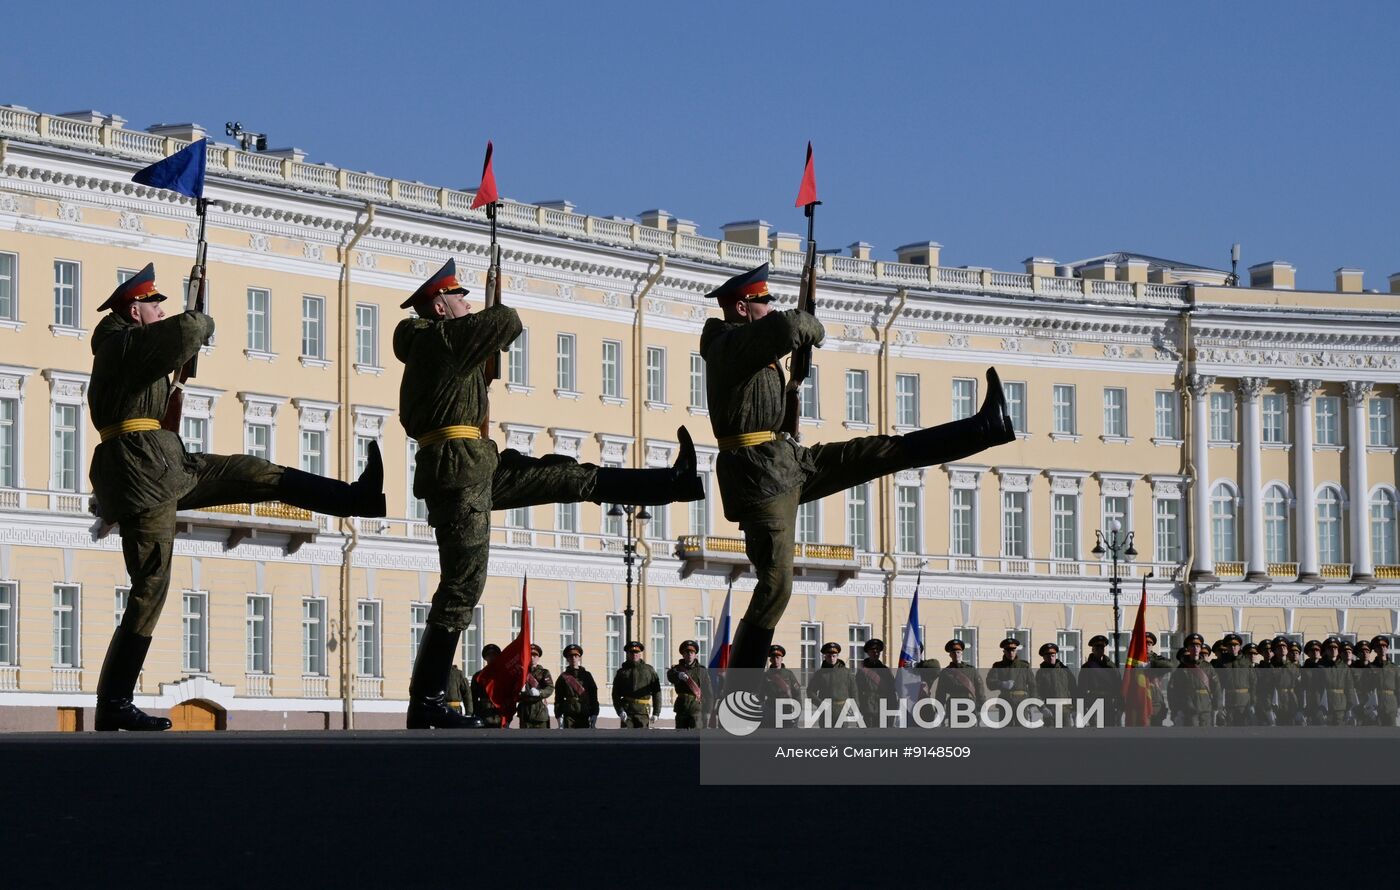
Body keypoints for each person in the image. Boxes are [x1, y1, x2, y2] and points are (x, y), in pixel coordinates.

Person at [395, 259, 704, 729]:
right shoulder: (438, 340)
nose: (469, 303)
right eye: (461, 297)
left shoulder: (442, 345)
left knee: (568, 475)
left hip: (478, 464)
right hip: (459, 474)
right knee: (461, 587)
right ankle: (427, 702)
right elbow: (507, 321)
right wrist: (491, 307)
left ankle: (671, 483)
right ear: (440, 306)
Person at [87, 265, 387, 731]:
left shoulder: (133, 347)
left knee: (255, 472)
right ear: (134, 310)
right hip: (143, 474)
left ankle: (355, 498)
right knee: (151, 584)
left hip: (165, 464)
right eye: (154, 304)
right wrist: (198, 317)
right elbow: (188, 327)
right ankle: (114, 702)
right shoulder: (120, 345)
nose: (161, 310)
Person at [698, 263, 1015, 667]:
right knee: (776, 586)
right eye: (763, 301)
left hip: (786, 462)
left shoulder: (751, 345)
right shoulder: (727, 344)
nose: (770, 307)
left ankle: (984, 428)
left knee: (878, 452)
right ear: (743, 307)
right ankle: (739, 695)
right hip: (761, 479)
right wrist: (807, 322)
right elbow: (790, 327)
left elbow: (776, 366)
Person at [1169, 635, 1218, 727]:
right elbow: (1174, 691)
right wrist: (1176, 710)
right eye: (1192, 646)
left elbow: (1216, 687)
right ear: (1188, 648)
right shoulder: (1182, 668)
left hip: (1206, 708)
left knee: (1206, 736)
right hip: (1189, 708)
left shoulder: (1207, 667)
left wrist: (1216, 707)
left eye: (1198, 646)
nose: (1195, 648)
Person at [1309, 638, 1359, 726]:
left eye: (1335, 648)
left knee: (1339, 732)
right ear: (1326, 651)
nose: (1333, 650)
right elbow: (1316, 688)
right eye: (1330, 649)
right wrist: (1317, 706)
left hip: (1340, 705)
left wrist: (1350, 705)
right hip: (1324, 705)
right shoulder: (1320, 667)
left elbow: (1349, 687)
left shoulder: (1344, 667)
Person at [612, 641, 662, 728]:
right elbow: (615, 694)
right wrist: (619, 710)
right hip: (627, 712)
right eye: (631, 652)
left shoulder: (649, 670)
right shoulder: (622, 672)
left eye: (637, 652)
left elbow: (656, 692)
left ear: (640, 654)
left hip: (642, 712)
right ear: (627, 654)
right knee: (626, 739)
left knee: (642, 739)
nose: (634, 655)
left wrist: (656, 712)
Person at [806, 642, 857, 726]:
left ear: (837, 656)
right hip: (826, 713)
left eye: (834, 656)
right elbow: (810, 692)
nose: (832, 658)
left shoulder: (846, 672)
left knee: (842, 737)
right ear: (825, 656)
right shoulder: (820, 674)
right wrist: (821, 704)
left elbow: (854, 691)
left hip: (842, 711)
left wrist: (854, 707)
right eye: (829, 656)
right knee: (826, 737)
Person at [667, 640, 713, 729]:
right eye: (687, 652)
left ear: (695, 655)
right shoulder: (677, 669)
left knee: (696, 737)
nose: (689, 654)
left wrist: (708, 711)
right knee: (680, 737)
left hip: (696, 708)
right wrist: (678, 675)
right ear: (683, 655)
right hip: (682, 707)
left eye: (692, 652)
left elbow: (708, 692)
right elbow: (670, 676)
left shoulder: (702, 670)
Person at [1078, 635, 1121, 727]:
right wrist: (1082, 708)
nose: (1099, 650)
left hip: (1109, 702)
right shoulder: (1087, 667)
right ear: (1093, 649)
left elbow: (1118, 685)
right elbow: (1081, 689)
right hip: (1093, 701)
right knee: (1096, 730)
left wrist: (1119, 705)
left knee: (1110, 729)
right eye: (1097, 648)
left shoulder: (1111, 666)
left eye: (1102, 648)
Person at [933, 639, 984, 717]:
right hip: (953, 705)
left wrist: (981, 705)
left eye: (958, 652)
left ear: (962, 653)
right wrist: (939, 709)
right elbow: (940, 692)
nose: (956, 655)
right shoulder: (946, 672)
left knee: (970, 728)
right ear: (950, 655)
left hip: (969, 704)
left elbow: (979, 688)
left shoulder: (971, 670)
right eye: (953, 653)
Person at [555, 644, 600, 729]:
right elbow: (558, 698)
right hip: (569, 713)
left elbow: (593, 695)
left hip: (584, 712)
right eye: (570, 656)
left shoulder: (587, 675)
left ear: (579, 658)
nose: (573, 658)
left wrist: (594, 713)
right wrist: (558, 715)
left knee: (584, 740)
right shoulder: (563, 677)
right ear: (567, 659)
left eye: (576, 656)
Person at [854, 639, 896, 727]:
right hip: (868, 708)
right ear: (868, 653)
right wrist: (858, 708)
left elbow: (891, 691)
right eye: (873, 651)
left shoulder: (885, 670)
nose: (875, 653)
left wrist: (893, 708)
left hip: (884, 708)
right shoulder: (862, 671)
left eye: (877, 651)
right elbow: (856, 691)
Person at [1215, 633, 1255, 726]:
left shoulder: (1246, 662)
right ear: (1227, 647)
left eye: (1235, 645)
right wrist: (1219, 706)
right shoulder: (1221, 663)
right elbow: (1217, 686)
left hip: (1244, 702)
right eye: (1230, 645)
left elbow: (1253, 683)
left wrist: (1253, 702)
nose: (1233, 647)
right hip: (1228, 702)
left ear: (1239, 646)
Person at [986, 638, 1035, 711]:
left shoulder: (1024, 666)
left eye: (1013, 650)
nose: (1011, 653)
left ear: (1016, 651)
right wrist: (1001, 684)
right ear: (1004, 651)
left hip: (1022, 702)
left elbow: (1033, 685)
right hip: (1005, 702)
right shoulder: (998, 666)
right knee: (1006, 722)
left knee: (1021, 722)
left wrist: (1032, 702)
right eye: (1008, 651)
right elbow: (990, 683)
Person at [1034, 642, 1076, 727]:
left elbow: (1074, 689)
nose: (1051, 658)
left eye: (1053, 655)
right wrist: (1042, 708)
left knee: (1067, 737)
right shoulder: (1041, 673)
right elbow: (1036, 692)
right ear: (1043, 657)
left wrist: (1076, 708)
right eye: (1048, 656)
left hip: (1065, 710)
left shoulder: (1065, 671)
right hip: (1050, 711)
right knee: (1051, 738)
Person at [516, 643, 555, 728]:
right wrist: (519, 690)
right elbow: (513, 689)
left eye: (535, 655)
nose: (532, 658)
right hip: (525, 711)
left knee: (542, 739)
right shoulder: (521, 673)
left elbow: (550, 687)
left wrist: (540, 692)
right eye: (530, 655)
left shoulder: (544, 672)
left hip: (539, 710)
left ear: (538, 657)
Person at [763, 644, 802, 726]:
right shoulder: (766, 676)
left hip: (786, 710)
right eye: (773, 658)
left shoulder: (788, 674)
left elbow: (797, 694)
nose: (776, 660)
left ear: (782, 659)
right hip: (771, 710)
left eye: (778, 658)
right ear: (770, 660)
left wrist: (797, 713)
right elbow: (761, 695)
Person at [1144, 632, 1174, 726]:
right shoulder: (1134, 660)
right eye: (1144, 644)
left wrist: (1151, 663)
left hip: (1155, 701)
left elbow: (1170, 666)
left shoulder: (1157, 659)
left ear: (1152, 646)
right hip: (1139, 700)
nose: (1147, 646)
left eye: (1149, 644)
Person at [472, 643, 504, 728]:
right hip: (483, 714)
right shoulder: (478, 676)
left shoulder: (504, 674)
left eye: (494, 655)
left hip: (500, 714)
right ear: (485, 658)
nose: (492, 657)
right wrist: (473, 713)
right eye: (489, 655)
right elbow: (473, 696)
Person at [1369, 636, 1399, 726]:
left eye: (1384, 646)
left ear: (1387, 648)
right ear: (1375, 650)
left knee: (1392, 733)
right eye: (1379, 646)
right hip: (1376, 704)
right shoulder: (1370, 667)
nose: (1382, 648)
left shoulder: (1394, 668)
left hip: (1391, 704)